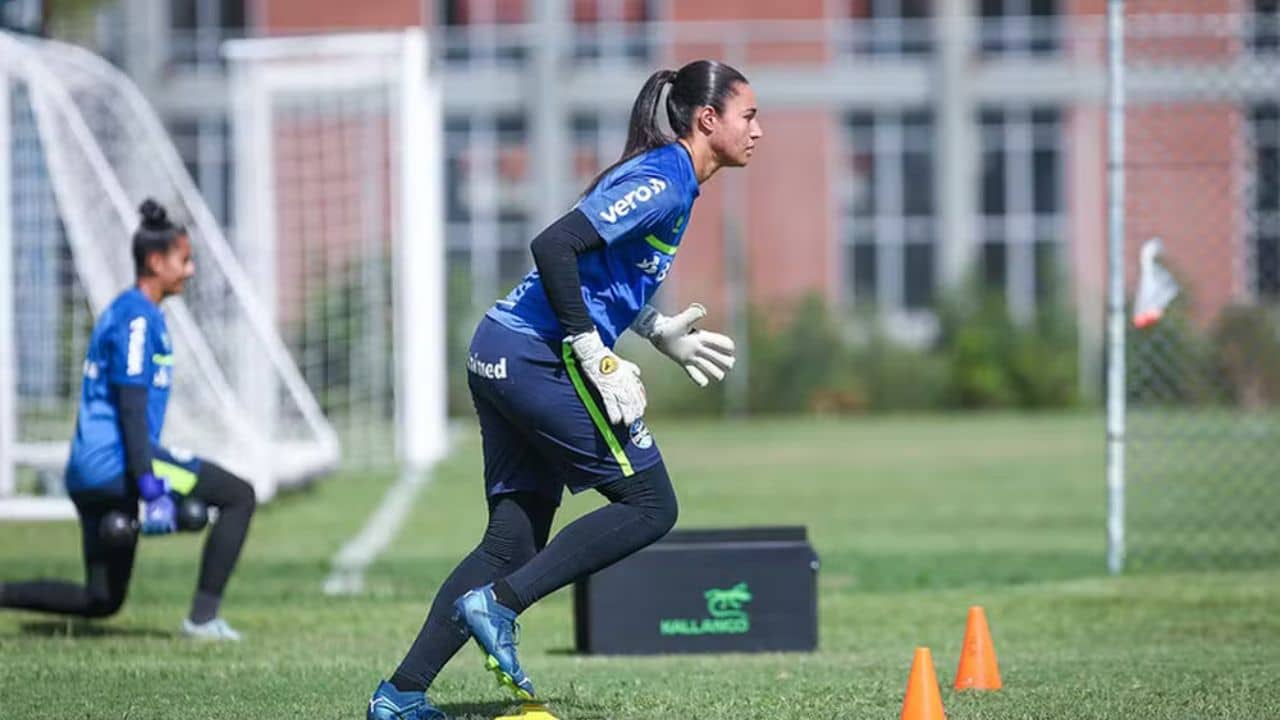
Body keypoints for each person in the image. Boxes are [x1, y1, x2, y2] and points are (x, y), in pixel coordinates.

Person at [368, 59, 762, 720]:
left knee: (510, 545)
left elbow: (604, 269)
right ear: (708, 119)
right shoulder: (666, 179)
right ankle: (500, 604)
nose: (758, 130)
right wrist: (587, 345)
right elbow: (553, 245)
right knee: (649, 504)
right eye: (749, 115)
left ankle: (400, 694)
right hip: (534, 355)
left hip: (498, 351)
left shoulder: (678, 181)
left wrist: (656, 326)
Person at [0, 199, 257, 640]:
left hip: (87, 470)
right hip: (117, 462)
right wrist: (151, 488)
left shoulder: (125, 311)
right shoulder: (137, 321)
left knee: (103, 600)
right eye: (185, 260)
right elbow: (131, 410)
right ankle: (202, 620)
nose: (191, 270)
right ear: (156, 262)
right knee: (238, 496)